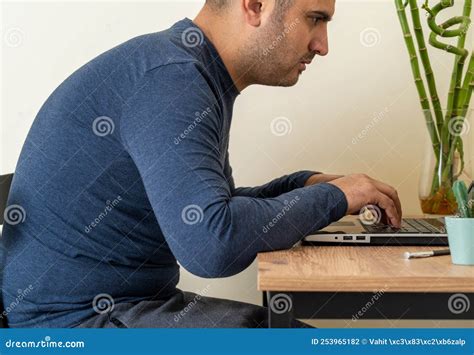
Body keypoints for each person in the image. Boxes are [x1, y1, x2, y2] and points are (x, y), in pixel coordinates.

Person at [1, 0, 402, 328]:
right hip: (74, 326)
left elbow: (208, 212)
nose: (323, 45)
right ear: (256, 6)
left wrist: (305, 185)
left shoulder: (186, 70)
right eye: (315, 19)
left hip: (111, 311)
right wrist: (333, 197)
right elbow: (212, 244)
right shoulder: (173, 80)